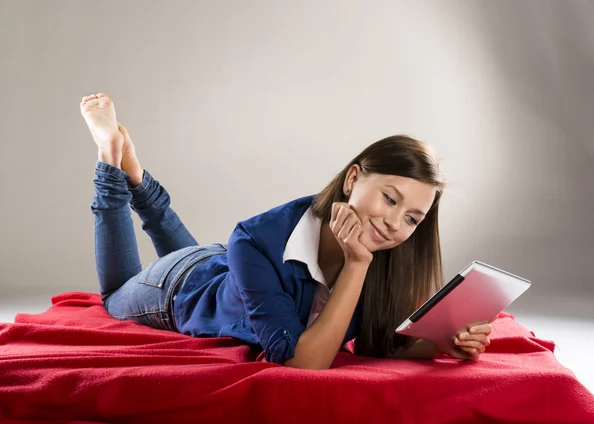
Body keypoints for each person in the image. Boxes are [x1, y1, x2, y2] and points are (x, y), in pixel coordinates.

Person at [81, 92, 493, 370]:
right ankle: (111, 163)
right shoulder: (258, 238)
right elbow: (301, 364)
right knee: (114, 294)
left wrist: (442, 343)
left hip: (221, 267)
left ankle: (138, 176)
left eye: (411, 219)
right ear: (353, 179)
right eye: (390, 198)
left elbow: (378, 342)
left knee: (207, 263)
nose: (393, 223)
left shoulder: (387, 253)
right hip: (173, 290)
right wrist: (356, 264)